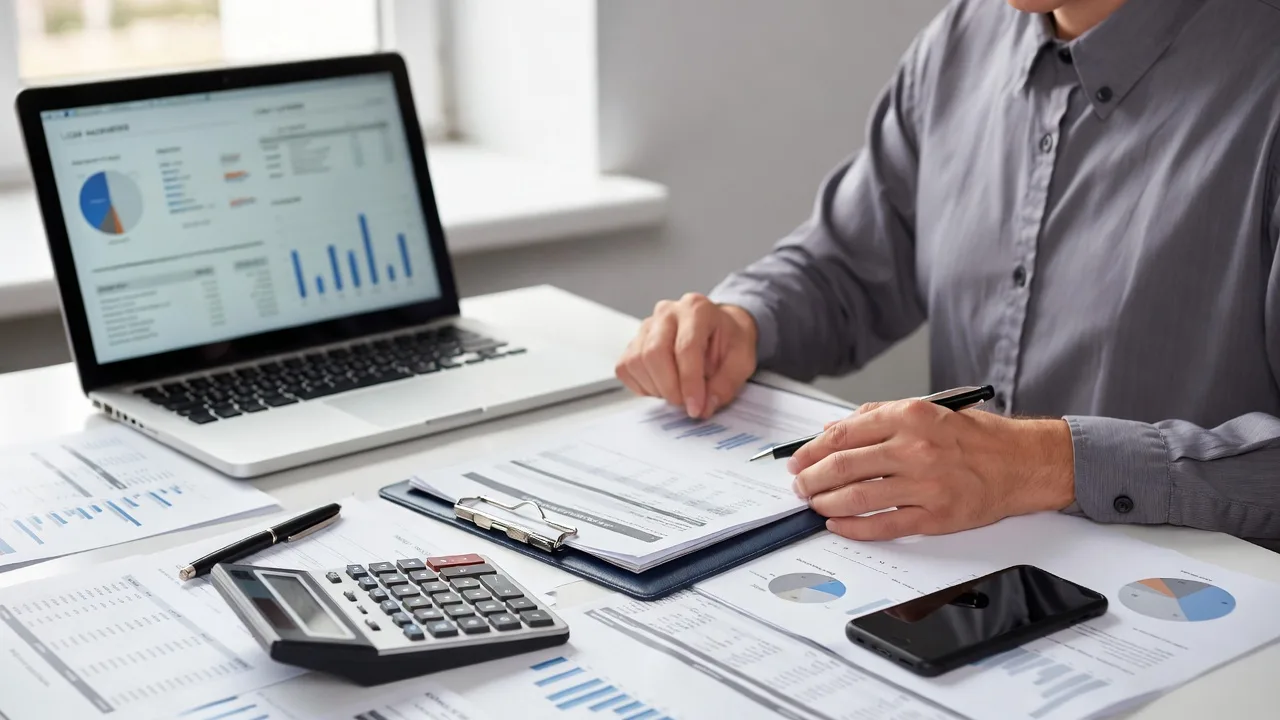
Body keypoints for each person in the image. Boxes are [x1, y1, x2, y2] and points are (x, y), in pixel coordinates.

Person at [615, 0, 1280, 549]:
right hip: (959, 588)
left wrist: (1048, 463)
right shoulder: (963, 38)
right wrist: (741, 321)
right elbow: (848, 262)